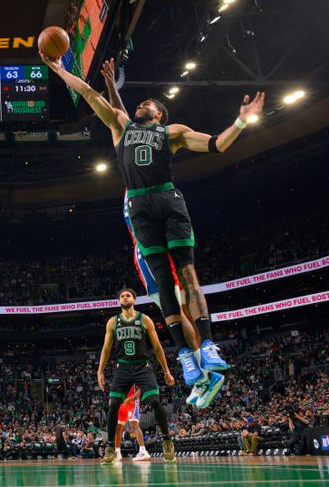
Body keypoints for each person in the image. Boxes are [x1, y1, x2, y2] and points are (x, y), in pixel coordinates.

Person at [43, 53, 265, 407]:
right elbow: (94, 98)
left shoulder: (167, 132)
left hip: (160, 209)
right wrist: (60, 70)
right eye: (138, 104)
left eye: (147, 103)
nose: (141, 105)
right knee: (166, 297)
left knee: (176, 293)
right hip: (142, 220)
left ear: (159, 115)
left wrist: (239, 122)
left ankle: (204, 363)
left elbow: (216, 145)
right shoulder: (123, 131)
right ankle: (200, 369)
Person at [100, 63, 210, 407]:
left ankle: (204, 368)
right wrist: (112, 89)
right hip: (143, 246)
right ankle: (200, 367)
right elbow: (124, 122)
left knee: (176, 303)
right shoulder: (134, 174)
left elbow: (125, 122)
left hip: (154, 239)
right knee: (168, 305)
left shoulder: (148, 172)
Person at [97, 289, 176, 464]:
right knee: (114, 405)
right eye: (122, 296)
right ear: (119, 301)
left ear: (134, 299)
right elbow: (106, 348)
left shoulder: (145, 319)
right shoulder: (113, 322)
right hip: (123, 367)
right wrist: (100, 371)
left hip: (143, 366)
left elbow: (157, 347)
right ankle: (110, 448)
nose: (125, 297)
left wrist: (166, 371)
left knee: (155, 401)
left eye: (128, 295)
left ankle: (167, 441)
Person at [113, 385, 150, 461]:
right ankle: (117, 452)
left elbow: (141, 388)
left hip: (132, 400)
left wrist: (132, 398)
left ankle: (143, 451)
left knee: (134, 425)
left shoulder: (134, 374)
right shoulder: (119, 375)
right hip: (122, 401)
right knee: (119, 426)